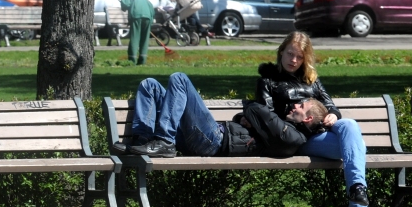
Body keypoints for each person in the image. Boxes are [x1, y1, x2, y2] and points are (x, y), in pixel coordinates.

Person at [256, 31, 376, 207]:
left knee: (349, 124)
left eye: (299, 57)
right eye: (290, 54)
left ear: (306, 58)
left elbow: (331, 105)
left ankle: (357, 189)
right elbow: (267, 119)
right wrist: (296, 120)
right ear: (281, 52)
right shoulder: (268, 81)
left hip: (323, 132)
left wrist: (333, 115)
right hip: (299, 138)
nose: (293, 60)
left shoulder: (311, 79)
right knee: (358, 146)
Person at [111, 72, 326, 159]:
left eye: (301, 106)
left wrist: (251, 114)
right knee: (149, 86)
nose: (295, 105)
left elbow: (254, 108)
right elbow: (251, 118)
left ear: (307, 119)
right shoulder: (283, 126)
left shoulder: (293, 137)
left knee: (179, 79)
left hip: (214, 140)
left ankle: (164, 141)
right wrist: (244, 119)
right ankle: (144, 140)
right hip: (212, 134)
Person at [119, 0, 155, 64]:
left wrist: (124, 6)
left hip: (136, 16)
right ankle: (143, 59)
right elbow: (151, 8)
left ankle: (132, 59)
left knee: (135, 37)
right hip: (148, 17)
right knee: (145, 39)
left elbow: (125, 4)